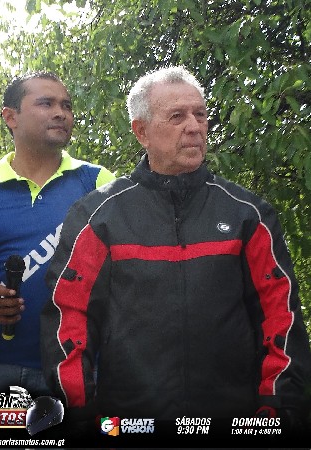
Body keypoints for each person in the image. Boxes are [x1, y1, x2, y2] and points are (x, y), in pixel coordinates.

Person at [41, 66, 311, 431]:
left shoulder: (248, 214)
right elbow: (68, 319)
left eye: (200, 114)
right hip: (129, 422)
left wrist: (277, 413)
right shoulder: (98, 217)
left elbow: (282, 319)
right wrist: (80, 415)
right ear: (141, 131)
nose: (195, 126)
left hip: (233, 421)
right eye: (177, 116)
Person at [0, 71, 115, 430]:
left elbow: (127, 278)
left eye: (66, 105)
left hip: (78, 370)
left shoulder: (99, 183)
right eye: (46, 103)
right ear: (11, 117)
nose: (60, 113)